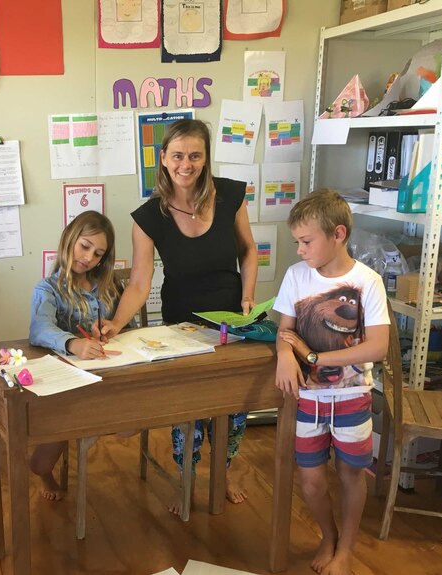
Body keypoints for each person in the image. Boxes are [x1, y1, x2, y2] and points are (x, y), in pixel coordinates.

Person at [99, 119, 259, 514]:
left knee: (233, 412)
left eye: (195, 155)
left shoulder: (231, 196)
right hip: (180, 323)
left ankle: (221, 475)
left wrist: (249, 298)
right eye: (178, 156)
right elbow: (139, 282)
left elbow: (249, 251)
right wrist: (117, 323)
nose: (186, 164)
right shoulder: (149, 217)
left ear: (205, 159)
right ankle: (185, 479)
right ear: (164, 160)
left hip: (230, 321)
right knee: (185, 412)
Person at [273, 190, 389, 575]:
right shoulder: (296, 276)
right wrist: (285, 356)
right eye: (297, 242)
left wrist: (313, 358)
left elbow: (377, 348)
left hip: (352, 396)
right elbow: (284, 332)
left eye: (307, 242)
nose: (300, 250)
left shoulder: (368, 282)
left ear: (338, 234)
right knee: (310, 482)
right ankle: (329, 534)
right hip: (308, 399)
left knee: (350, 474)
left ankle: (347, 548)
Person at [28, 211, 120, 501]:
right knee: (40, 463)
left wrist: (110, 327)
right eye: (85, 246)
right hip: (65, 382)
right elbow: (39, 328)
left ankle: (88, 428)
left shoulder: (107, 287)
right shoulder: (48, 289)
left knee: (130, 425)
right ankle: (46, 474)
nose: (89, 257)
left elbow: (119, 322)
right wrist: (72, 343)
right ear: (69, 239)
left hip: (106, 374)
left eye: (98, 254)